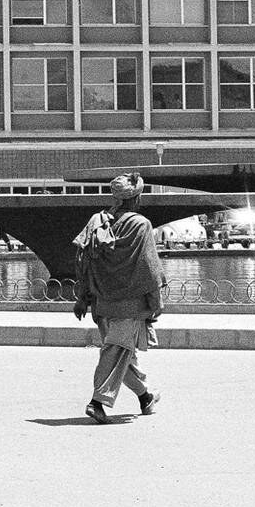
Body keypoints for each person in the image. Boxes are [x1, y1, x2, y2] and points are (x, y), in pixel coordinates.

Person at [72, 172, 165, 425]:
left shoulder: (98, 221)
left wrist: (82, 297)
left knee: (124, 354)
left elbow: (84, 261)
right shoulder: (140, 224)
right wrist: (156, 302)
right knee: (115, 352)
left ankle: (146, 397)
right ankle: (97, 402)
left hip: (102, 303)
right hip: (129, 303)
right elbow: (149, 266)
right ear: (137, 197)